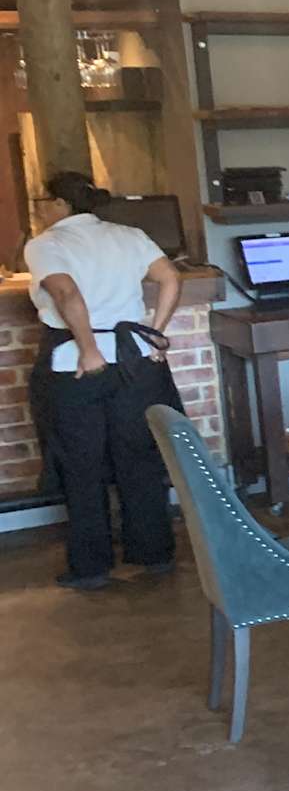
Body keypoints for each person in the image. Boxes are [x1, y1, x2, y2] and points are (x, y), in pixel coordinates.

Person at [23, 170, 185, 590]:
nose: (41, 211)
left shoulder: (46, 244)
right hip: (134, 361)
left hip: (75, 364)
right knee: (139, 456)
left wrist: (89, 349)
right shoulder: (128, 235)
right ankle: (153, 553)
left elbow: (66, 294)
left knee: (81, 464)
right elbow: (171, 277)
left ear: (60, 204)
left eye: (43, 202)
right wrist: (155, 334)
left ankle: (91, 566)